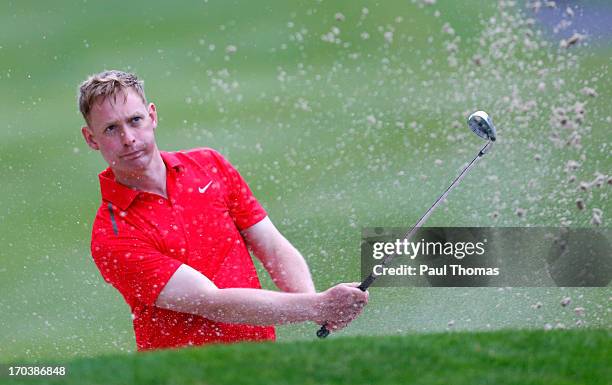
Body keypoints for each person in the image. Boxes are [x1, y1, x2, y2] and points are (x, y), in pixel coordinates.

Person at [78, 70, 368, 351]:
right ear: (92, 139)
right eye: (111, 129)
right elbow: (210, 301)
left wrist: (315, 303)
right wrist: (317, 305)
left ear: (152, 116)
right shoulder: (112, 235)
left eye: (135, 120)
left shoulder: (208, 165)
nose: (128, 138)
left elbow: (271, 245)